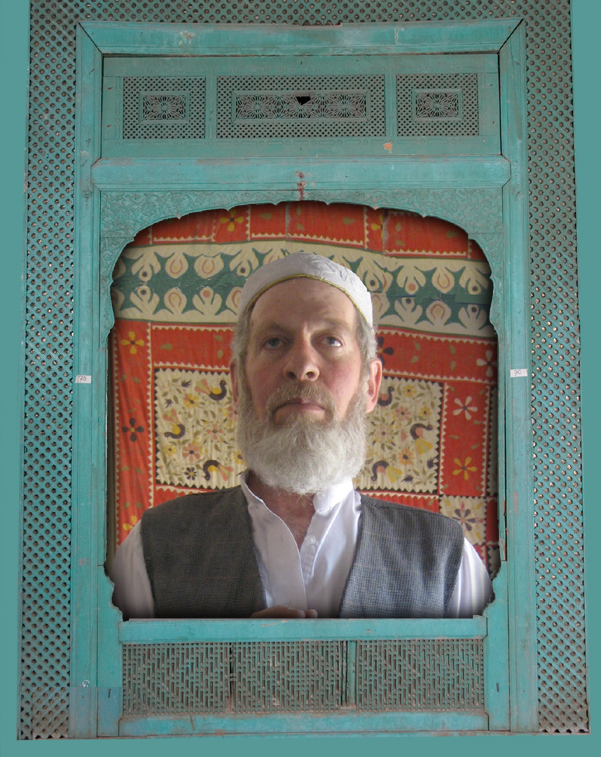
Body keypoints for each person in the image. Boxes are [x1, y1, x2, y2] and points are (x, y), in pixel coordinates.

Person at [111, 252, 492, 619]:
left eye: (330, 341)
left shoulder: (446, 561)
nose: (303, 366)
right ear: (239, 386)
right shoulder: (153, 550)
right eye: (275, 342)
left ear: (371, 386)